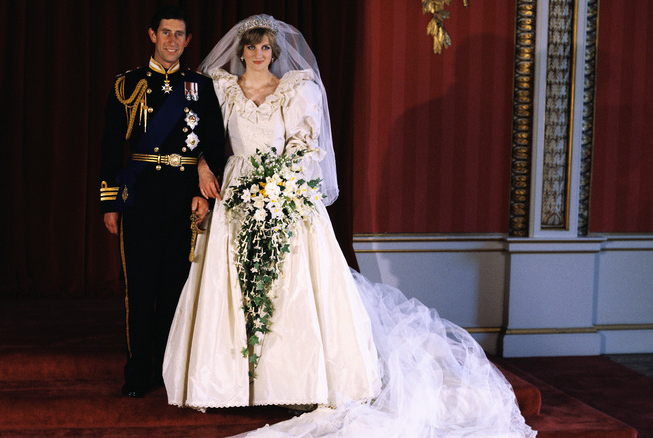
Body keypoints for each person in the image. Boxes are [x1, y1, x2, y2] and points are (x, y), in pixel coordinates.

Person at [163, 14, 536, 437]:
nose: (257, 54)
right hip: (237, 190)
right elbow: (202, 135)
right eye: (251, 47)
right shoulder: (222, 89)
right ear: (241, 51)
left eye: (265, 48)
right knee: (231, 284)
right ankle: (225, 384)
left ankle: (298, 381)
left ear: (274, 53)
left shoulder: (295, 90)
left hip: (284, 189)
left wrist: (284, 183)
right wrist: (203, 168)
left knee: (294, 285)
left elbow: (306, 143)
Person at [99, 5, 224, 398]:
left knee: (174, 288)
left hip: (183, 200)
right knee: (139, 288)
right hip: (139, 198)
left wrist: (204, 188)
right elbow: (109, 147)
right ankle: (137, 373)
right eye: (165, 33)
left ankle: (167, 371)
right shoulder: (128, 84)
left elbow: (216, 142)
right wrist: (109, 201)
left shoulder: (200, 87)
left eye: (179, 35)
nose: (172, 41)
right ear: (151, 35)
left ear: (188, 41)